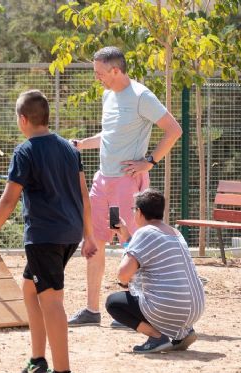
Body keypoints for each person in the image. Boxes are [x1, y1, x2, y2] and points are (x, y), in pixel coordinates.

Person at [0, 90, 97, 373]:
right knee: (30, 287)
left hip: (45, 235)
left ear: (22, 119)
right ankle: (38, 361)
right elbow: (84, 194)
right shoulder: (69, 149)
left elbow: (8, 200)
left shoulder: (25, 151)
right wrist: (89, 234)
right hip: (69, 233)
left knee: (52, 300)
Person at [68, 46, 183, 327]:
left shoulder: (142, 96)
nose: (97, 78)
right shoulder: (108, 95)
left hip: (126, 183)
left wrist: (149, 161)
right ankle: (91, 310)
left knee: (132, 244)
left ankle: (134, 307)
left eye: (100, 73)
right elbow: (109, 135)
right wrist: (83, 144)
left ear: (116, 70)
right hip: (102, 180)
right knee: (93, 242)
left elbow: (174, 130)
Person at [106, 189, 204, 353]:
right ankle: (183, 333)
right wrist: (126, 236)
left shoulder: (145, 232)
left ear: (139, 212)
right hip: (196, 308)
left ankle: (157, 337)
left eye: (134, 210)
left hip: (169, 308)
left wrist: (123, 282)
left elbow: (123, 274)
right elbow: (148, 252)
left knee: (113, 303)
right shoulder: (174, 232)